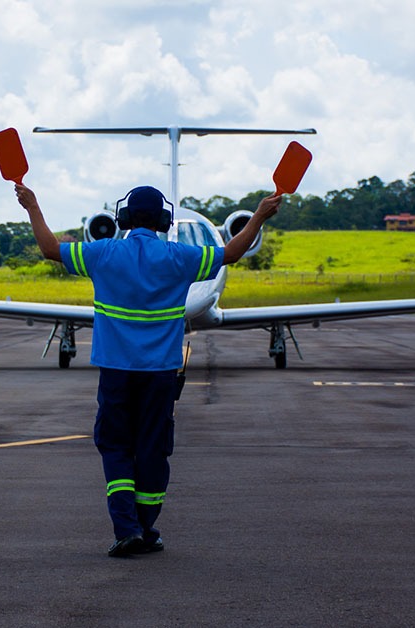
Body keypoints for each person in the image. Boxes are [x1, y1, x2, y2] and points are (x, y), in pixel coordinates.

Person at [15, 182, 281, 557]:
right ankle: (146, 528)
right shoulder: (180, 258)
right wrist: (260, 215)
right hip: (160, 373)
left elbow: (49, 249)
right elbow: (232, 253)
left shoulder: (102, 253)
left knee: (115, 445)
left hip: (116, 372)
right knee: (153, 448)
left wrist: (32, 206)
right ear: (163, 220)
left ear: (124, 218)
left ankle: (127, 530)